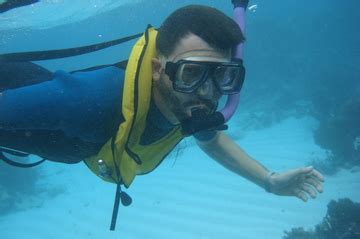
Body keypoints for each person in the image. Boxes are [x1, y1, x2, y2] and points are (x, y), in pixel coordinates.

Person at [0, 2, 324, 207]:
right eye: (192, 73)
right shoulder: (88, 100)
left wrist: (268, 181)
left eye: (222, 77)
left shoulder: (184, 100)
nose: (207, 93)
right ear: (158, 70)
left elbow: (210, 139)